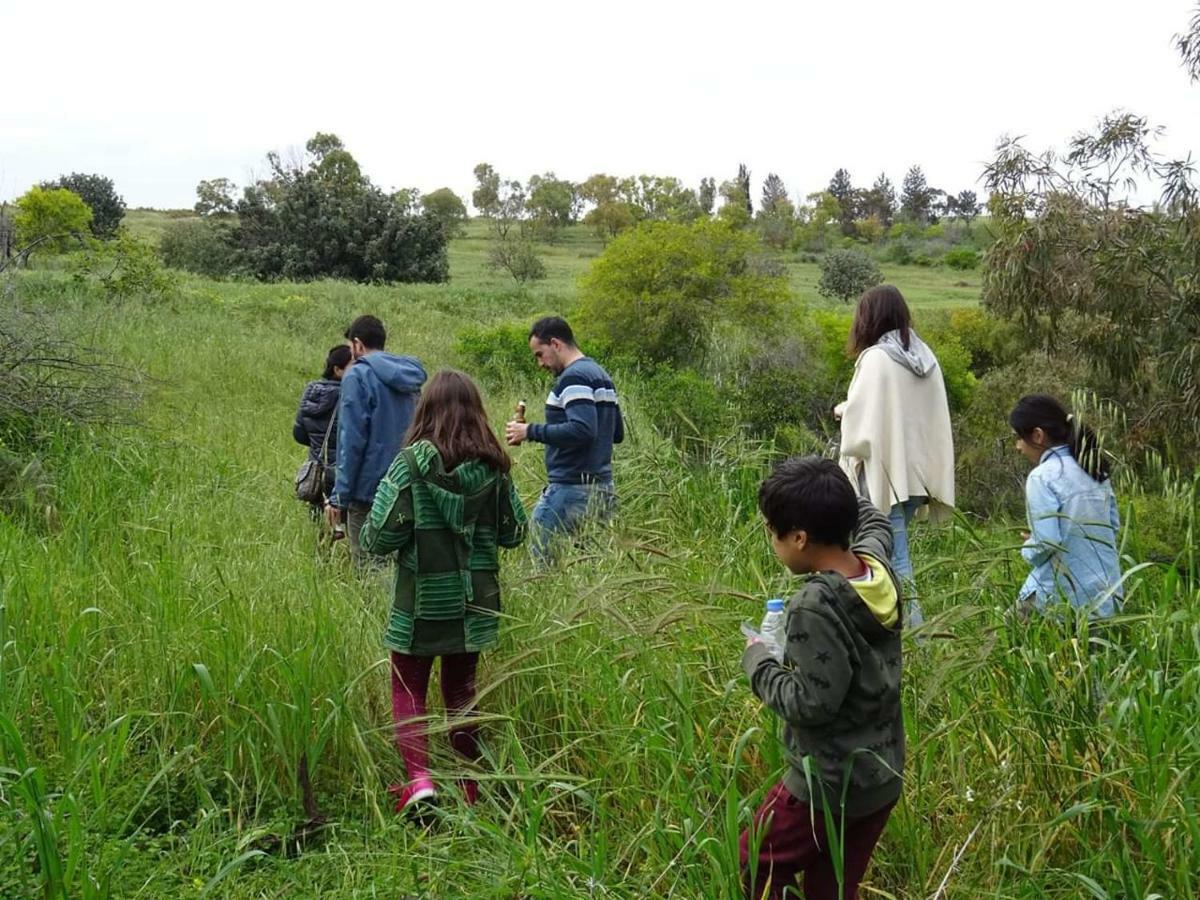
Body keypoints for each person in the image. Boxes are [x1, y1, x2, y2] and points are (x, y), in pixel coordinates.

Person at [359, 370, 527, 814]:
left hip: (420, 606)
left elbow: (376, 540)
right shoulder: (495, 468)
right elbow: (514, 534)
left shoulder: (410, 464)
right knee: (460, 690)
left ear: (426, 410)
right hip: (475, 604)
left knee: (407, 688)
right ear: (477, 412)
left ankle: (420, 781)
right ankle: (470, 789)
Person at [741, 456, 904, 900]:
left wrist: (759, 662)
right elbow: (876, 524)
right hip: (880, 778)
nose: (771, 541)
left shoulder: (814, 605)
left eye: (772, 532)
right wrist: (846, 481)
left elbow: (810, 703)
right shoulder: (877, 566)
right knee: (831, 890)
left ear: (799, 537)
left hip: (826, 785)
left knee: (751, 861)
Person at [835, 285, 954, 627]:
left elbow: (862, 426)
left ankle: (910, 636)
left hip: (886, 477)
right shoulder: (925, 357)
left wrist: (843, 410)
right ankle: (897, 630)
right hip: (915, 476)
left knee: (891, 559)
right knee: (894, 555)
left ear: (869, 318)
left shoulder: (877, 359)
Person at [504, 316, 623, 564]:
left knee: (542, 563)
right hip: (603, 489)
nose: (540, 363)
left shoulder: (573, 377)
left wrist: (530, 431)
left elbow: (583, 430)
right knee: (591, 568)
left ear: (556, 344)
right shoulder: (601, 375)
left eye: (540, 354)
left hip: (571, 489)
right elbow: (616, 433)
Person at [1010, 394, 1123, 619]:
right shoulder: (1094, 469)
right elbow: (1113, 526)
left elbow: (1048, 542)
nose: (1017, 447)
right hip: (1108, 596)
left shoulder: (1042, 477)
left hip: (1061, 600)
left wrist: (1030, 545)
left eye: (1018, 438)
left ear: (1037, 435)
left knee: (1009, 633)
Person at [325, 315, 427, 564]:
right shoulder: (410, 374)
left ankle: (373, 604)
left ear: (358, 344)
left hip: (368, 488)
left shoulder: (356, 376)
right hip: (409, 481)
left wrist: (340, 497)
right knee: (402, 562)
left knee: (368, 563)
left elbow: (351, 441)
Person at [293, 344, 352, 519]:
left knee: (318, 523)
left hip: (316, 472)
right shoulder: (349, 395)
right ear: (337, 370)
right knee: (341, 526)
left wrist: (317, 445)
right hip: (340, 472)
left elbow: (299, 434)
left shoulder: (311, 392)